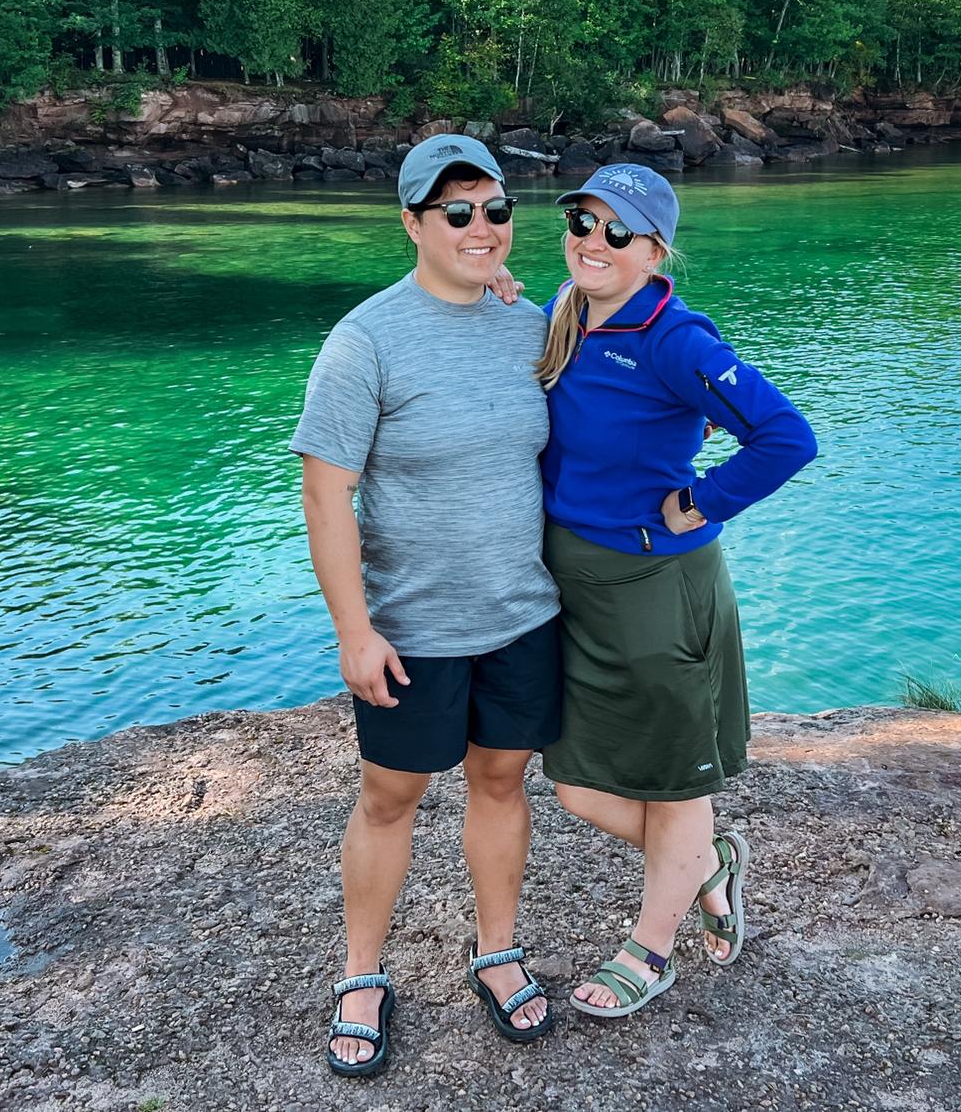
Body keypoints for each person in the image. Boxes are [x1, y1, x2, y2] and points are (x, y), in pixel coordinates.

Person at [290, 135, 562, 1077]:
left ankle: (496, 952)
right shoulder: (365, 339)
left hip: (524, 614)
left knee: (501, 782)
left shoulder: (529, 326)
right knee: (389, 796)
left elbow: (619, 331)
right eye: (456, 212)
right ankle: (362, 974)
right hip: (412, 631)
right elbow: (326, 493)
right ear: (412, 223)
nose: (480, 227)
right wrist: (353, 631)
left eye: (494, 210)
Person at [533, 163, 818, 1018]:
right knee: (577, 783)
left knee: (675, 784)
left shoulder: (675, 339)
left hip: (658, 588)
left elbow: (786, 437)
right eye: (583, 223)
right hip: (573, 586)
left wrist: (701, 502)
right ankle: (707, 861)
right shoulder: (566, 311)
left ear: (656, 249)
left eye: (617, 232)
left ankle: (649, 950)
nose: (593, 242)